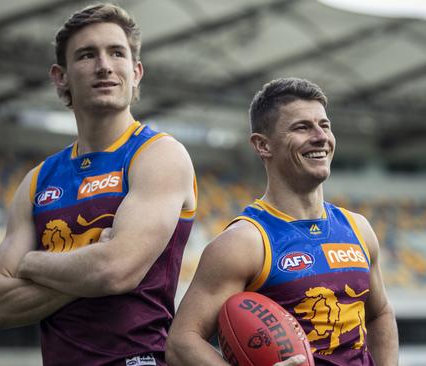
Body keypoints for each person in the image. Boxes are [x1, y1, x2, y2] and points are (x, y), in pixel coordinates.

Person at [0, 4, 197, 365]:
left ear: (136, 71)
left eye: (117, 52)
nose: (104, 65)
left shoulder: (159, 155)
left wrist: (33, 263)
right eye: (86, 55)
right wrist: (91, 264)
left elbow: (114, 272)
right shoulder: (37, 182)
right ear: (60, 76)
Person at [166, 78, 398, 366]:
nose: (320, 136)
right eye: (302, 127)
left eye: (324, 125)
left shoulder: (358, 228)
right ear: (263, 145)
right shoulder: (244, 243)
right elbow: (181, 343)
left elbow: (380, 313)